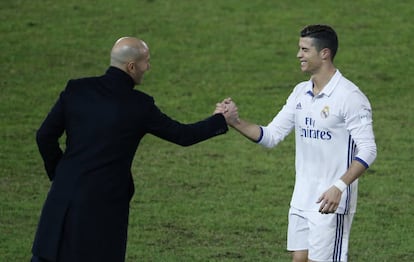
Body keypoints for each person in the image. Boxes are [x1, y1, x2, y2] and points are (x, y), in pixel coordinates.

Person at [31, 37, 238, 262]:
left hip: (61, 201)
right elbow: (183, 135)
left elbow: (44, 137)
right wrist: (220, 119)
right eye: (146, 62)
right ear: (131, 66)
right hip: (103, 208)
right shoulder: (138, 106)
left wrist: (60, 174)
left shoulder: (76, 90)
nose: (148, 67)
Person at [219, 25, 377, 262]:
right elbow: (271, 136)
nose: (298, 55)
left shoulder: (350, 97)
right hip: (302, 198)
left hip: (330, 202)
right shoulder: (300, 93)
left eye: (304, 49)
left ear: (324, 53)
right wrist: (235, 121)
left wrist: (339, 187)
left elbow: (369, 149)